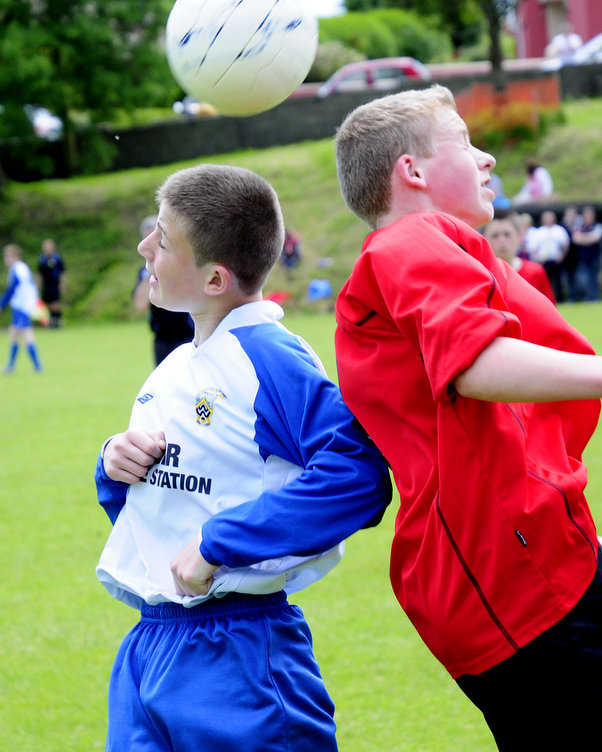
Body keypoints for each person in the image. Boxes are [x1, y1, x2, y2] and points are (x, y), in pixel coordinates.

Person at [332, 85, 602, 750]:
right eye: (462, 141)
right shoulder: (409, 241)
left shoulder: (438, 253)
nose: (486, 158)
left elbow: (482, 482)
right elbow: (472, 362)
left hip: (543, 581)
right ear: (413, 172)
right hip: (527, 606)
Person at [95, 163, 391, 752]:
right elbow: (164, 501)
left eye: (162, 236)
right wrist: (112, 464)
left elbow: (359, 477)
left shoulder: (270, 356)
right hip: (149, 649)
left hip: (242, 653)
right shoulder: (178, 364)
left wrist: (219, 542)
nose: (143, 246)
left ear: (214, 280)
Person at [133, 215, 194, 365]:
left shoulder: (184, 266)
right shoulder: (145, 273)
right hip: (162, 337)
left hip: (189, 335)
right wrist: (151, 272)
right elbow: (140, 305)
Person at [483, 211, 555, 304]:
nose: (502, 240)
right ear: (484, 238)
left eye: (507, 234)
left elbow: (550, 312)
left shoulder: (536, 272)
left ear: (519, 236)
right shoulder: (481, 275)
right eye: (495, 235)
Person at [1, 244, 43, 373]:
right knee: (13, 333)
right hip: (20, 305)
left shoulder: (19, 268)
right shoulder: (19, 268)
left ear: (13, 256)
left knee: (26, 334)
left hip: (22, 306)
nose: (5, 260)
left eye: (6, 256)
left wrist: (2, 303)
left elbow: (13, 287)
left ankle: (37, 367)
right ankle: (11, 366)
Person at [530, 209, 569, 302]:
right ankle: (547, 300)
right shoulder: (539, 231)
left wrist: (562, 256)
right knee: (546, 282)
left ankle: (560, 299)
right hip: (544, 260)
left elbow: (566, 244)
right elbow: (535, 246)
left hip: (556, 260)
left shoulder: (559, 230)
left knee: (558, 280)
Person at [573, 205, 602, 301]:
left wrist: (583, 238)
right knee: (582, 279)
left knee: (593, 278)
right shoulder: (579, 227)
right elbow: (576, 239)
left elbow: (595, 238)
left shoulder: (598, 226)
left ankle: (594, 297)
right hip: (583, 257)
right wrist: (589, 237)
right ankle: (587, 296)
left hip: (594, 256)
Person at [37, 238, 66, 328]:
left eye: (49, 245)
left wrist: (63, 283)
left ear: (53, 247)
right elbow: (39, 273)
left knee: (55, 303)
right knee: (47, 304)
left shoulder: (57, 258)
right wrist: (37, 284)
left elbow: (62, 271)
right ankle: (50, 322)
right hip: (46, 284)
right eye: (46, 246)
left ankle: (57, 321)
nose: (47, 247)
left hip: (55, 283)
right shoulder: (42, 258)